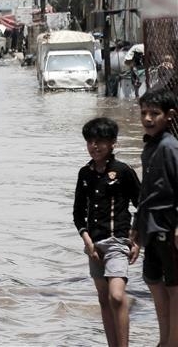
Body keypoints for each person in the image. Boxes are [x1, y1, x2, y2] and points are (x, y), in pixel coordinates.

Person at [73, 117, 141, 347]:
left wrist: (136, 238)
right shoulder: (85, 174)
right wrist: (87, 240)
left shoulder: (123, 171)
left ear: (113, 143)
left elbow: (141, 204)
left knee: (117, 296)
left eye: (100, 141)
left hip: (118, 243)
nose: (95, 146)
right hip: (93, 245)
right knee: (103, 299)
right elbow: (77, 214)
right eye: (90, 141)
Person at [131, 88, 178, 347]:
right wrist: (136, 228)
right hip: (150, 227)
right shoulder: (150, 148)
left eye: (154, 114)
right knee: (153, 280)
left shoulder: (170, 148)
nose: (148, 118)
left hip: (168, 226)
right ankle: (165, 339)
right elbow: (146, 192)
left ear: (169, 116)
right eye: (143, 113)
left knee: (174, 287)